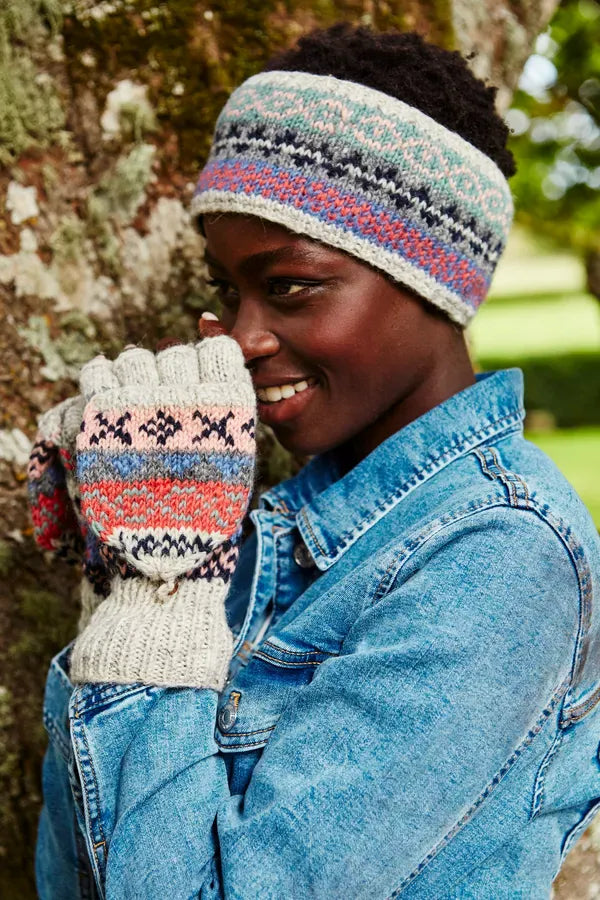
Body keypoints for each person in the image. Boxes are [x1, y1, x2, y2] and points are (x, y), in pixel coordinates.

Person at [29, 23, 600, 899]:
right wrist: (115, 574)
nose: (241, 337)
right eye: (229, 292)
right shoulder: (280, 528)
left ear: (433, 276)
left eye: (289, 286)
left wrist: (156, 594)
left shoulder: (501, 556)